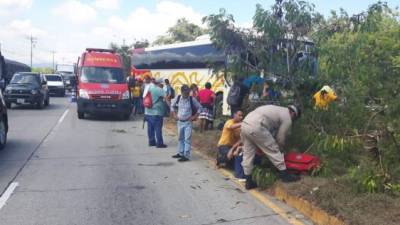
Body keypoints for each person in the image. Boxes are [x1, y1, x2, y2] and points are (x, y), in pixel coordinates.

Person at [241, 105, 301, 189]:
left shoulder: (278, 109)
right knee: (273, 149)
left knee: (247, 154)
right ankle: (284, 175)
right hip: (257, 125)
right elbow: (280, 137)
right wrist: (281, 148)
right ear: (294, 114)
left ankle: (248, 181)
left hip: (245, 123)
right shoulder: (287, 117)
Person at [170, 85, 202, 162]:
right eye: (185, 93)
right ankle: (180, 153)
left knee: (187, 139)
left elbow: (200, 107)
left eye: (187, 93)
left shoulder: (192, 99)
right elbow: (172, 106)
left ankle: (186, 155)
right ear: (181, 92)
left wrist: (195, 116)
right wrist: (174, 114)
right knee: (180, 138)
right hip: (180, 122)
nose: (186, 94)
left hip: (188, 122)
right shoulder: (178, 98)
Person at [144, 78, 167, 148]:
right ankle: (159, 143)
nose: (162, 85)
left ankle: (151, 142)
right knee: (158, 128)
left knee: (150, 128)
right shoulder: (159, 90)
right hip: (157, 112)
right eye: (162, 84)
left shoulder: (147, 88)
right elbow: (166, 98)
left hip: (147, 111)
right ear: (159, 83)